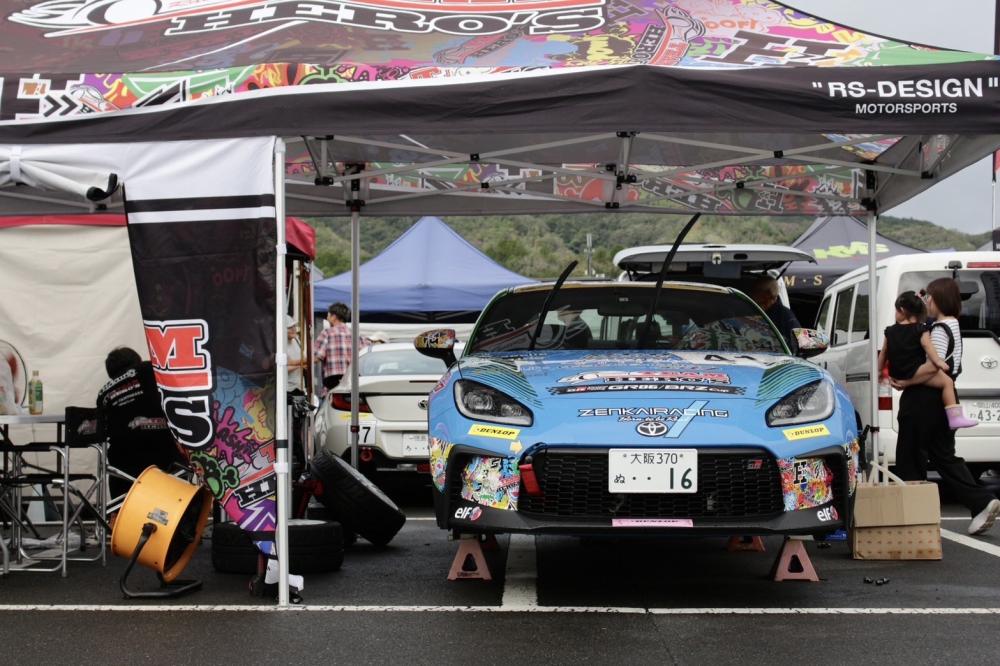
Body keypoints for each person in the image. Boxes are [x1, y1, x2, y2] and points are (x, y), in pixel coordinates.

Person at [891, 278, 1000, 535]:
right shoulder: (953, 324)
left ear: (939, 299)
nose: (927, 301)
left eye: (929, 297)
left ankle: (913, 519)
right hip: (942, 399)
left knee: (910, 456)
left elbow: (933, 366)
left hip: (924, 399)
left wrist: (906, 381)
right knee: (944, 455)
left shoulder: (940, 329)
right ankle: (981, 501)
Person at [878, 291, 976, 430]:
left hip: (896, 373)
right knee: (947, 382)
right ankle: (955, 418)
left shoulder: (889, 331)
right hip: (914, 371)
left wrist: (879, 371)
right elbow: (928, 347)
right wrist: (938, 361)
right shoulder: (921, 329)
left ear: (902, 311)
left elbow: (884, 353)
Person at [97, 347, 185, 499]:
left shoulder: (103, 394)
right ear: (136, 360)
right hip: (164, 457)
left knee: (117, 467)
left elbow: (102, 432)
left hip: (124, 466)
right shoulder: (150, 369)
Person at [748, 275, 800, 346]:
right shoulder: (750, 310)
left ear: (768, 294)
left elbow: (800, 343)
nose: (750, 295)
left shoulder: (785, 317)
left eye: (755, 291)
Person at [313, 302, 353, 392]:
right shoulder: (354, 334)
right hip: (351, 380)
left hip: (332, 380)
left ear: (334, 317)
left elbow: (316, 357)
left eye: (328, 315)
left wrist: (296, 363)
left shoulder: (327, 333)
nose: (327, 318)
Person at [285, 315, 305, 396]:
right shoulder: (280, 346)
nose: (293, 329)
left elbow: (303, 359)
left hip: (300, 387)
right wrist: (300, 365)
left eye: (294, 326)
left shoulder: (297, 340)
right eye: (290, 327)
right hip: (288, 389)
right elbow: (282, 368)